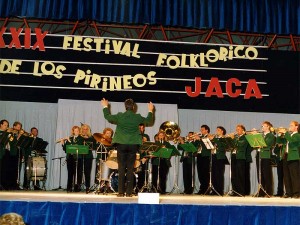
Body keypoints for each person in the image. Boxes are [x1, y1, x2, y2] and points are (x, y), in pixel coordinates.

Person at [101, 98, 154, 197]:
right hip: (133, 145)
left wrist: (105, 106)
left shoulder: (120, 116)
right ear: (133, 107)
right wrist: (150, 110)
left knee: (121, 168)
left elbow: (108, 117)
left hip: (121, 144)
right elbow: (149, 120)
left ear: (125, 107)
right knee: (130, 169)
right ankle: (129, 192)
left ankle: (120, 192)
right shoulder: (137, 117)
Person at [60, 126, 84, 192]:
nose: (76, 132)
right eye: (75, 131)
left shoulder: (81, 138)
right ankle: (69, 188)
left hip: (77, 157)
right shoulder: (70, 138)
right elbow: (66, 149)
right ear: (73, 131)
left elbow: (76, 146)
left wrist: (69, 141)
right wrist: (63, 143)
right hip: (70, 157)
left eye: (78, 131)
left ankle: (77, 187)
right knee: (70, 173)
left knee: (77, 173)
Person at [229, 124, 251, 196]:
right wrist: (229, 139)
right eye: (236, 129)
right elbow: (231, 146)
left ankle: (241, 191)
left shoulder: (245, 137)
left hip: (241, 157)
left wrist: (233, 139)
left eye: (238, 129)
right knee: (234, 174)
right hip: (234, 156)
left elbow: (240, 145)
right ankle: (235, 191)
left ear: (243, 130)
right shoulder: (235, 137)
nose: (237, 130)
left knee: (240, 174)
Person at [256, 121, 276, 197]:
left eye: (264, 126)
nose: (262, 127)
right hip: (259, 155)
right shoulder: (261, 135)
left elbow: (268, 144)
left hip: (266, 155)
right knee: (259, 174)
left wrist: (257, 137)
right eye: (262, 126)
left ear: (268, 127)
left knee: (267, 174)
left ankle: (268, 192)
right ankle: (261, 192)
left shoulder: (271, 135)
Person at [281, 121, 300, 198]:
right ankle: (289, 193)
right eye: (290, 125)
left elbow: (292, 142)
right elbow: (280, 142)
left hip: (294, 156)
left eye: (291, 125)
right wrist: (280, 135)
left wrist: (285, 133)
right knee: (286, 176)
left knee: (294, 176)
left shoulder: (298, 135)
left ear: (296, 127)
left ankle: (296, 193)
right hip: (286, 156)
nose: (290, 127)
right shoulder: (288, 135)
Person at [210, 126, 229, 196]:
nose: (216, 131)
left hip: (220, 158)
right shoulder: (216, 139)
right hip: (214, 156)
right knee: (214, 174)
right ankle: (214, 190)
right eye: (216, 130)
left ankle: (220, 191)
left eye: (218, 130)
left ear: (222, 131)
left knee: (219, 174)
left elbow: (223, 147)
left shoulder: (224, 138)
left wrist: (214, 139)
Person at [194, 125, 211, 195]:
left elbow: (208, 146)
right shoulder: (200, 137)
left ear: (207, 130)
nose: (201, 131)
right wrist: (195, 140)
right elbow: (196, 146)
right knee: (200, 173)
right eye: (201, 129)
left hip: (206, 156)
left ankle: (206, 189)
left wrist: (199, 139)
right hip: (199, 156)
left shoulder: (209, 136)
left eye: (202, 129)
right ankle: (201, 189)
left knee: (205, 173)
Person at [78, 124, 94, 194]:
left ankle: (87, 187)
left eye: (86, 129)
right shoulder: (79, 137)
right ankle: (78, 186)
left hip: (88, 156)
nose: (85, 130)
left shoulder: (91, 137)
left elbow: (94, 146)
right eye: (83, 129)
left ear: (88, 130)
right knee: (79, 171)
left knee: (87, 172)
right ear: (81, 130)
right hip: (80, 156)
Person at [137, 123, 150, 191]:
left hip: (144, 158)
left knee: (144, 173)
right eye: (140, 128)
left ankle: (142, 188)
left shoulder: (146, 136)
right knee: (136, 173)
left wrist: (146, 157)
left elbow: (149, 148)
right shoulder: (135, 135)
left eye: (142, 128)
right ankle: (136, 188)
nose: (141, 129)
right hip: (136, 157)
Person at [274, 131, 286, 197]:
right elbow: (275, 151)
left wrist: (283, 145)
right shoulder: (278, 140)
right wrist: (278, 146)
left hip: (284, 160)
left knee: (286, 177)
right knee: (280, 177)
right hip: (279, 160)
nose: (281, 134)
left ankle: (288, 192)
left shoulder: (285, 139)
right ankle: (280, 192)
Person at [0, 119, 9, 190]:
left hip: (4, 153)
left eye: (7, 125)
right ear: (1, 125)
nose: (7, 127)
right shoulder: (1, 133)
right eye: (5, 125)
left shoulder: (6, 133)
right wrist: (6, 134)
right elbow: (2, 142)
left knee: (3, 170)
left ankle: (3, 184)